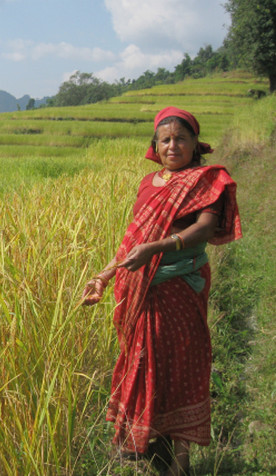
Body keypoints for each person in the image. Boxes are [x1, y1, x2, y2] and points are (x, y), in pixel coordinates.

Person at [81, 107, 242, 475]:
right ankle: (142, 444)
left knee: (182, 363)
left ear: (194, 144)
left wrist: (156, 250)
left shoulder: (208, 179)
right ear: (155, 144)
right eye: (165, 139)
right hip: (141, 287)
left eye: (180, 138)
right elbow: (132, 241)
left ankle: (180, 462)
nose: (173, 145)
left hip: (179, 285)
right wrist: (104, 277)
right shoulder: (147, 183)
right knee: (141, 362)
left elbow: (204, 228)